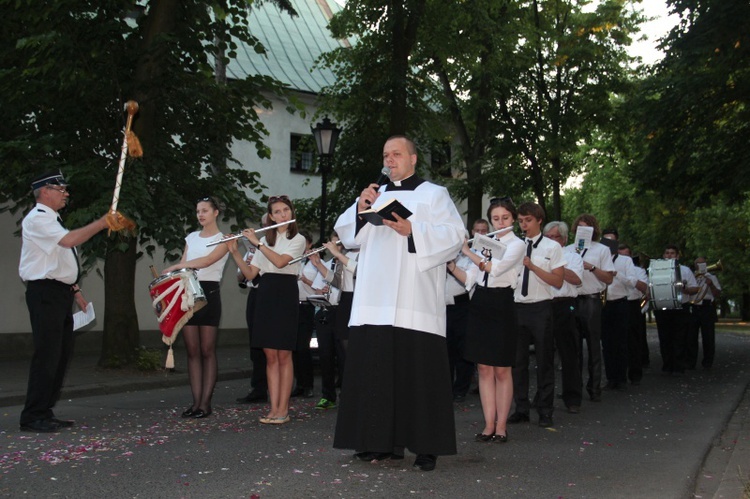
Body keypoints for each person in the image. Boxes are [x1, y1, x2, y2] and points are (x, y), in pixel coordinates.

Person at [333, 135, 464, 472]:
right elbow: (346, 235)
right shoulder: (375, 194)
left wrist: (412, 229)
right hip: (374, 298)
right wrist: (362, 208)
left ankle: (425, 447)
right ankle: (378, 442)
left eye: (396, 154)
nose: (389, 160)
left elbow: (454, 237)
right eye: (385, 154)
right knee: (376, 372)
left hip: (414, 299)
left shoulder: (434, 194)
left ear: (413, 158)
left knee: (417, 374)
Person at [18, 171, 110, 433]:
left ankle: (44, 411)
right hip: (45, 293)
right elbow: (69, 241)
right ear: (45, 191)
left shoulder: (53, 221)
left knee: (60, 354)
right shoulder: (38, 218)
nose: (66, 193)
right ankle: (32, 415)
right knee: (47, 354)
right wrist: (102, 223)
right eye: (61, 189)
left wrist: (75, 290)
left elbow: (58, 261)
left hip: (59, 292)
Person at [227, 195, 305, 424]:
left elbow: (281, 262)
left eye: (285, 210)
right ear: (271, 217)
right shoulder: (265, 241)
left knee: (284, 354)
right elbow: (251, 274)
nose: (283, 215)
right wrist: (235, 252)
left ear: (291, 212)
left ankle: (284, 409)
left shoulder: (297, 239)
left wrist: (258, 243)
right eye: (277, 212)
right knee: (270, 356)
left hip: (285, 293)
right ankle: (273, 409)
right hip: (266, 293)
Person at [458, 198, 524, 441]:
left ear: (513, 219)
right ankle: (488, 425)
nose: (500, 222)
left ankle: (502, 426)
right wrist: (451, 262)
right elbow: (471, 278)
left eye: (505, 218)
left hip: (502, 303)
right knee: (484, 367)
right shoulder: (484, 243)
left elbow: (494, 270)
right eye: (496, 219)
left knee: (502, 369)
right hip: (481, 303)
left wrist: (467, 251)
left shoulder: (517, 244)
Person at [163, 196, 231, 419]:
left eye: (204, 210)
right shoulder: (191, 237)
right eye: (198, 211)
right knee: (192, 351)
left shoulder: (224, 239)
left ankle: (205, 404)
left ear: (215, 213)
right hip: (188, 294)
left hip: (209, 293)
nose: (200, 214)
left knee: (207, 350)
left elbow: (207, 261)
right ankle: (195, 403)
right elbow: (186, 265)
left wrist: (176, 265)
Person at [508, 203, 564, 428]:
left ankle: (545, 410)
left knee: (544, 361)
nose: (524, 225)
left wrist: (532, 266)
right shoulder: (515, 246)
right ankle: (521, 408)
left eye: (528, 220)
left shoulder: (552, 247)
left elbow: (558, 281)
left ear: (539, 220)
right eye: (520, 221)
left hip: (541, 308)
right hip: (517, 308)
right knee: (517, 363)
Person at [565, 214, 614, 402]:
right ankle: (573, 388)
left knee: (593, 346)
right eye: (579, 227)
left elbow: (609, 278)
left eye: (586, 227)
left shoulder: (602, 250)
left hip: (591, 300)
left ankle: (594, 387)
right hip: (572, 299)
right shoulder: (568, 249)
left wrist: (591, 267)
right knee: (572, 347)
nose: (582, 230)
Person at [543, 221, 583, 414]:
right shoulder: (537, 254)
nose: (551, 240)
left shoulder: (572, 256)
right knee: (544, 355)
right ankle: (543, 399)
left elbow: (577, 279)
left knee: (568, 353)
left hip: (564, 304)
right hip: (543, 304)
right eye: (548, 237)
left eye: (555, 237)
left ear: (565, 239)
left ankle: (573, 397)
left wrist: (556, 265)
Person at [600, 229, 645, 392]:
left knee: (621, 342)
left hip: (620, 303)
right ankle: (611, 377)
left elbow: (633, 282)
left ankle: (621, 377)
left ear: (616, 242)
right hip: (603, 305)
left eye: (611, 240)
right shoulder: (599, 259)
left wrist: (616, 274)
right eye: (605, 240)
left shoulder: (625, 261)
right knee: (607, 343)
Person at [236, 214, 270, 404]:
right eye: (263, 224)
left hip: (271, 294)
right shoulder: (253, 247)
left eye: (268, 224)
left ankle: (276, 386)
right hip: (255, 294)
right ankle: (258, 388)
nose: (265, 227)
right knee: (255, 343)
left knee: (272, 344)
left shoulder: (273, 244)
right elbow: (240, 278)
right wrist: (245, 266)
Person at [653, 245, 699, 375]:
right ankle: (667, 365)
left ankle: (679, 366)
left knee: (680, 337)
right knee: (664, 337)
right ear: (663, 255)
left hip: (681, 307)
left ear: (677, 256)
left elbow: (695, 288)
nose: (669, 255)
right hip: (662, 306)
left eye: (672, 253)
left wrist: (685, 288)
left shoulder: (685, 270)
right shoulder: (657, 270)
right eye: (667, 253)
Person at [444, 233, 475, 404]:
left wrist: (452, 266)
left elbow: (466, 281)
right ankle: (446, 386)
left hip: (461, 305)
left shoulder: (468, 258)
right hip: (443, 307)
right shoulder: (441, 257)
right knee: (446, 349)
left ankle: (461, 389)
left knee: (463, 349)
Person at [618, 244, 650, 384]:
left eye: (626, 256)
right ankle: (618, 376)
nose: (624, 259)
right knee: (617, 342)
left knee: (634, 342)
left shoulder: (638, 271)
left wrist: (629, 278)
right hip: (617, 304)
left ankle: (635, 374)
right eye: (621, 256)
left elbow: (645, 289)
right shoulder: (612, 268)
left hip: (632, 305)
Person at [292, 231, 318, 398]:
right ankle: (299, 384)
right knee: (293, 348)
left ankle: (308, 384)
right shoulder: (293, 260)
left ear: (309, 244)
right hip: (293, 306)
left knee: (303, 348)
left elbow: (319, 286)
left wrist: (304, 279)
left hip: (307, 306)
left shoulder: (314, 262)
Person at [687, 257, 721, 369]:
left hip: (707, 307)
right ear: (695, 265)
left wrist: (711, 284)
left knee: (708, 337)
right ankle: (691, 362)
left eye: (703, 264)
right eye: (698, 264)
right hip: (694, 307)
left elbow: (717, 294)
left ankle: (707, 362)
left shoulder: (712, 277)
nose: (700, 266)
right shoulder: (691, 277)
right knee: (691, 337)